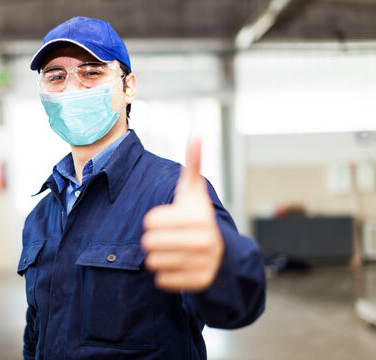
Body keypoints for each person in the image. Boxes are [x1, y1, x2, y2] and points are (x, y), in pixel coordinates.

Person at [18, 16, 266, 360]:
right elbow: (37, 332)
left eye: (91, 73)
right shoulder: (40, 217)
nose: (72, 88)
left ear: (128, 86)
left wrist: (221, 265)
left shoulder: (172, 194)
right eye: (56, 76)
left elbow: (237, 304)